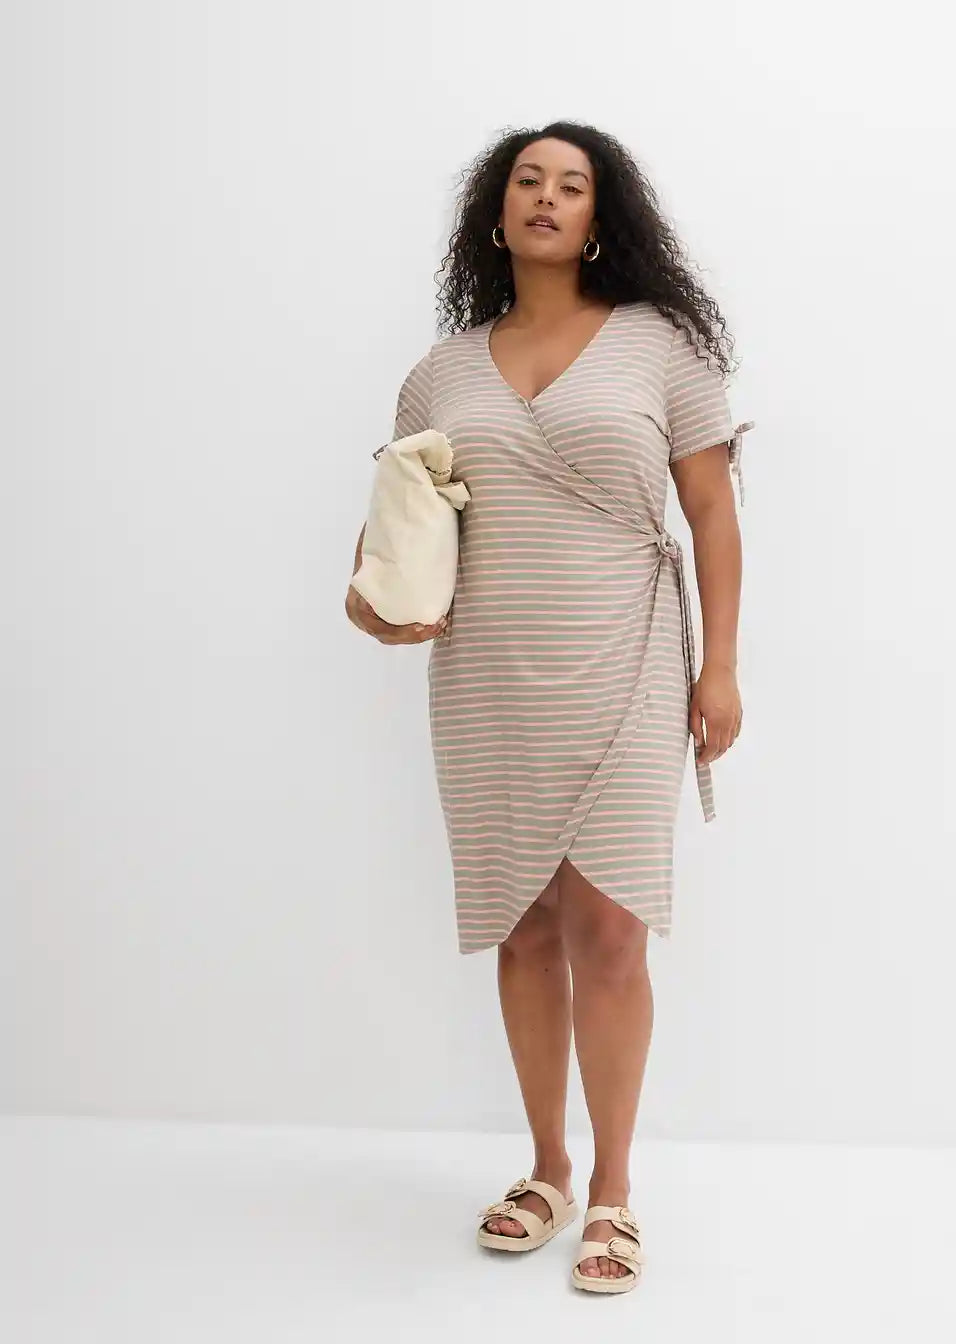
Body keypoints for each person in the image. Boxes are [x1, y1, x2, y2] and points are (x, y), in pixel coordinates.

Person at [345, 120, 753, 1296]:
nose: (546, 197)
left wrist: (721, 667)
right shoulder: (440, 372)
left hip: (627, 656)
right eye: (528, 180)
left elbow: (712, 513)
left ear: (599, 219)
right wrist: (371, 595)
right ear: (496, 213)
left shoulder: (662, 348)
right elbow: (403, 519)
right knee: (524, 927)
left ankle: (614, 1189)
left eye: (572, 186)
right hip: (487, 671)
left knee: (610, 929)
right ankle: (548, 1169)